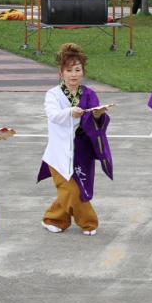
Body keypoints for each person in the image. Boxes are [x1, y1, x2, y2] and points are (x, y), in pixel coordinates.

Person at [38, 43, 112, 236]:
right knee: (71, 191)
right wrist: (71, 111)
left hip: (81, 152)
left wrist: (97, 115)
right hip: (58, 153)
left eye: (77, 70)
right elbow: (53, 116)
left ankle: (53, 218)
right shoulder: (53, 94)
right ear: (61, 72)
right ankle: (89, 222)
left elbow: (92, 123)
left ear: (83, 71)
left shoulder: (89, 94)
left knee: (74, 189)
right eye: (69, 70)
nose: (73, 74)